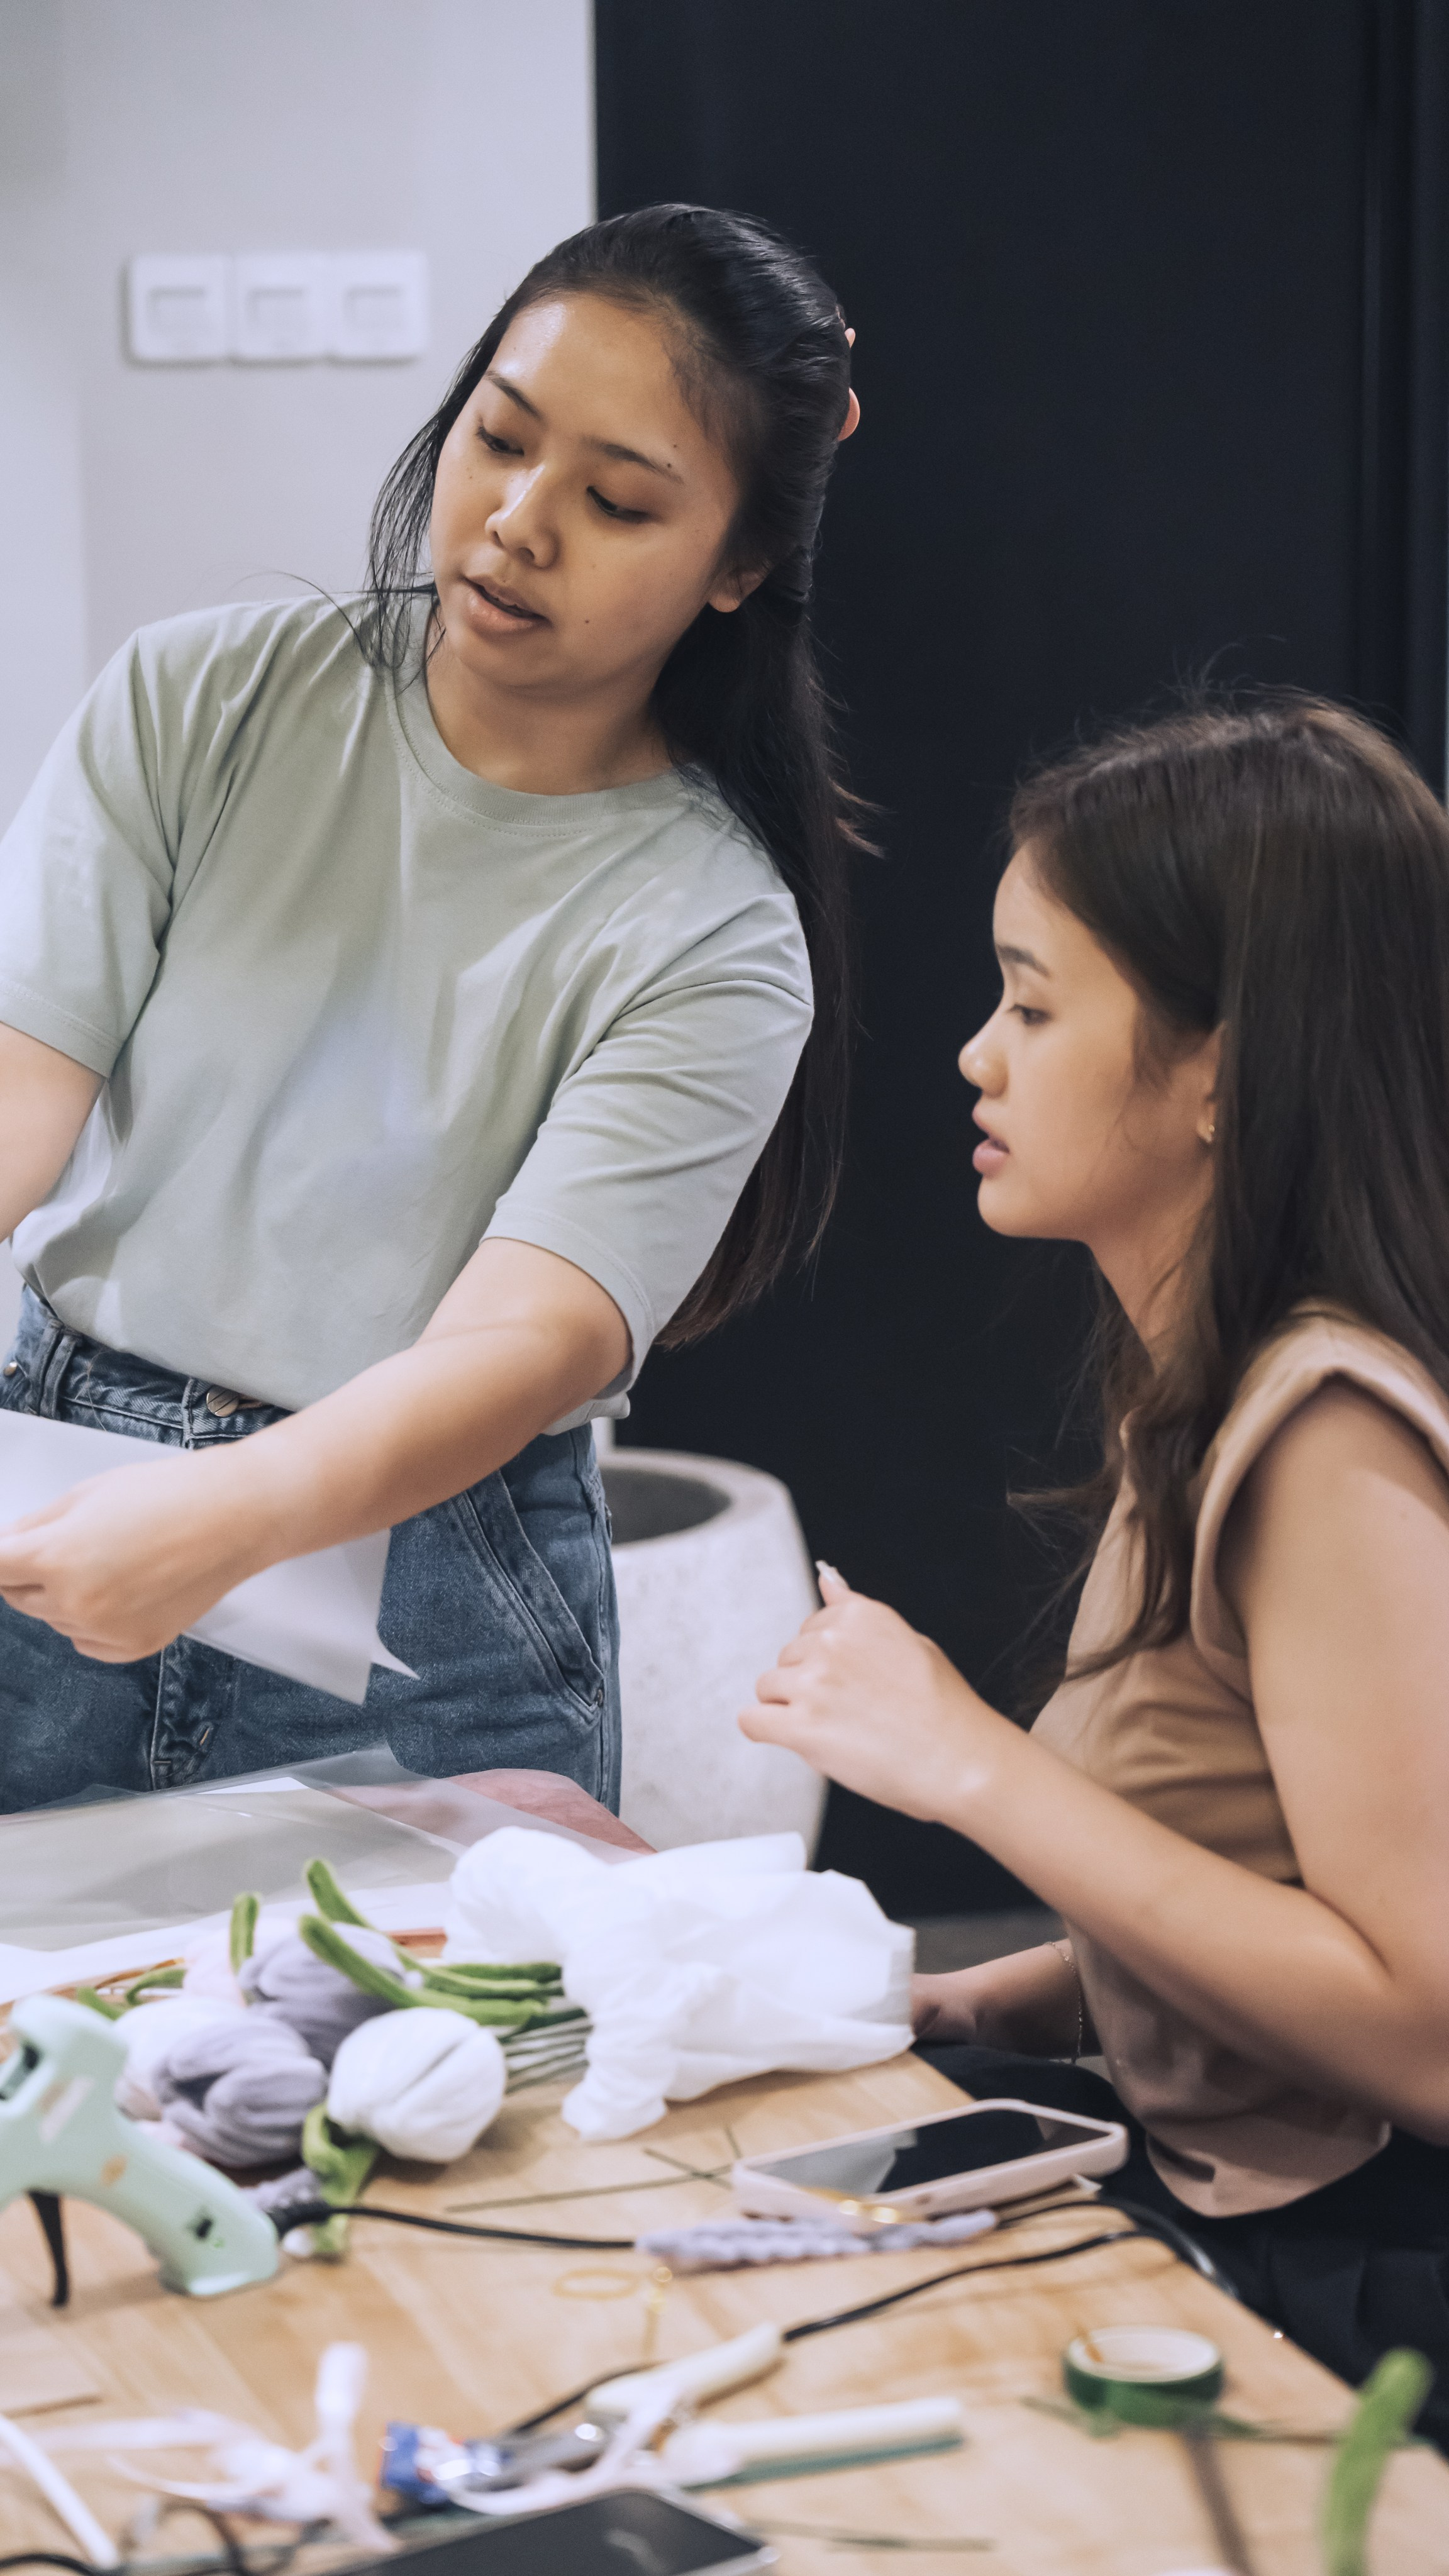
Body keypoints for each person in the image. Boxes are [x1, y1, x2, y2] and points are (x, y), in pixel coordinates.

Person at [0, 204, 863, 1814]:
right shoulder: (201, 699)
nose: (519, 523)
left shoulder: (718, 929)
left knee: (443, 2056)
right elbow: (12, 1105)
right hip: (63, 1481)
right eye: (500, 436)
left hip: (429, 1583)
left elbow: (526, 1341)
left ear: (740, 564)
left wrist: (230, 1510)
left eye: (616, 501)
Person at [743, 699, 1449, 2442]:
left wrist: (975, 1770)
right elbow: (1244, 1861)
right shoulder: (1202, 1388)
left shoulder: (1325, 1436)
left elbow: (1420, 2023)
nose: (979, 1057)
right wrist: (1009, 1995)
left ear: (1222, 1065)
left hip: (1345, 2296)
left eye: (1036, 1007)